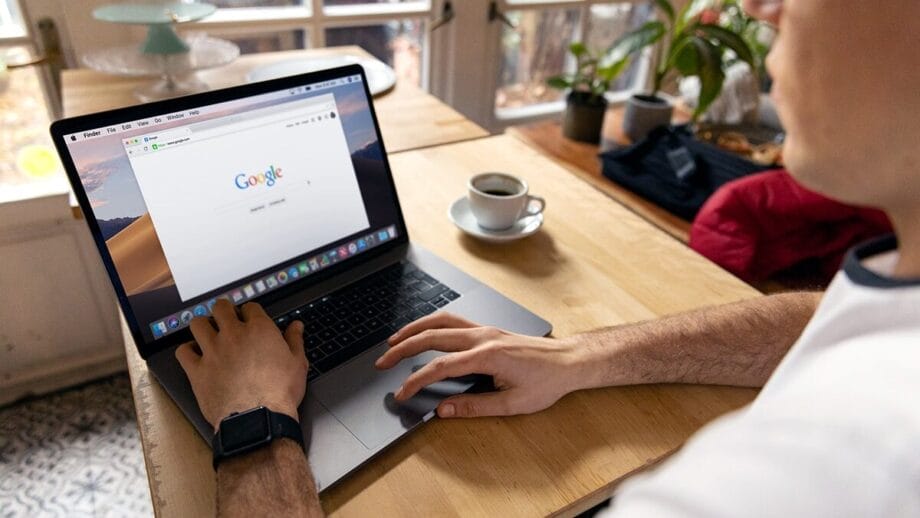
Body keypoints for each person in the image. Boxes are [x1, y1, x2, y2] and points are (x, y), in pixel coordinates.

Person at [174, 0, 920, 515]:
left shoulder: (817, 478)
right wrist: (587, 357)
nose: (757, 7)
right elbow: (832, 318)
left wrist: (253, 418)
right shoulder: (897, 292)